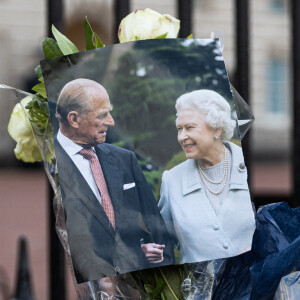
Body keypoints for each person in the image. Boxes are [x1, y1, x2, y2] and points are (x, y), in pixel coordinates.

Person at [54, 78, 174, 283]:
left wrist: (162, 267)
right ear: (74, 119)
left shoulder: (124, 158)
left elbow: (156, 228)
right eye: (102, 115)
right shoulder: (52, 165)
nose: (111, 121)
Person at [158, 89, 256, 263]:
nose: (182, 137)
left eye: (190, 128)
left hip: (256, 286)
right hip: (198, 288)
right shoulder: (172, 180)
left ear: (216, 129)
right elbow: (161, 243)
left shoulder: (249, 165)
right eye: (179, 129)